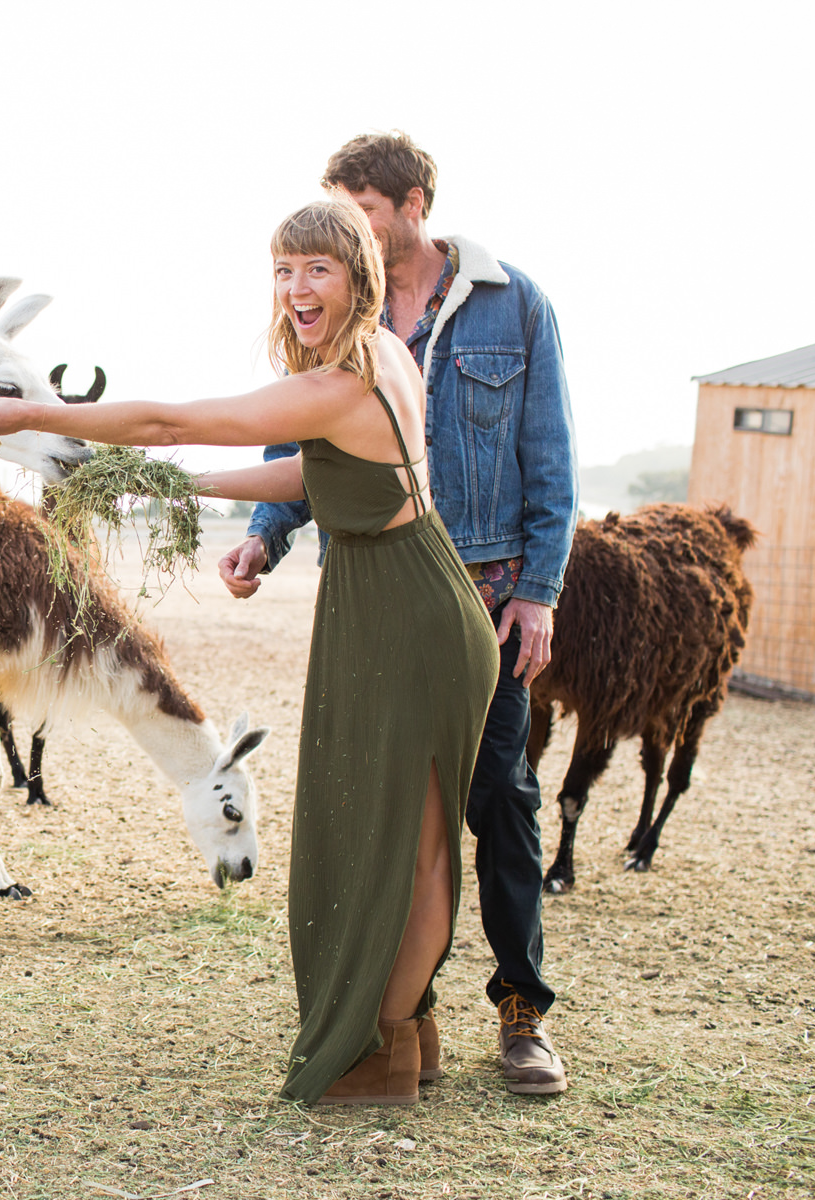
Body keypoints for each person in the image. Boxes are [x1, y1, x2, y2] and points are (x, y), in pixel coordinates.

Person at [0, 192, 499, 1106]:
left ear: (358, 272)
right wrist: (183, 485)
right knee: (406, 839)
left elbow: (168, 417)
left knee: (417, 845)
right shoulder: (385, 359)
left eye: (317, 268)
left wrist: (29, 422)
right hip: (409, 594)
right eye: (283, 270)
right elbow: (316, 472)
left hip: (407, 614)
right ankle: (409, 1038)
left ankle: (383, 1047)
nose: (296, 288)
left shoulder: (341, 380)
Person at [220, 132, 577, 1095]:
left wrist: (541, 590)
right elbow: (319, 446)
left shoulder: (510, 304)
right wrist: (265, 533)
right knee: (388, 817)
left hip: (488, 594)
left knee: (497, 800)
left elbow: (550, 461)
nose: (350, 234)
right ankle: (399, 1021)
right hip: (377, 597)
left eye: (365, 216)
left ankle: (521, 1012)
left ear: (415, 205)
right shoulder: (347, 319)